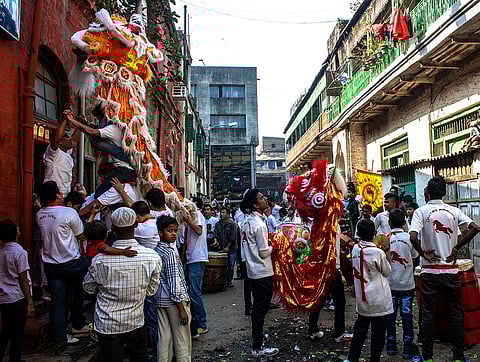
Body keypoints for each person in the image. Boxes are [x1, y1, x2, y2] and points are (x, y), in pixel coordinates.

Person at [409, 176, 480, 362]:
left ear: (426, 193)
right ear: (444, 193)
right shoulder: (453, 211)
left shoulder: (421, 212)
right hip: (450, 271)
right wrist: (456, 248)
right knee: (455, 313)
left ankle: (428, 356)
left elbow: (413, 237)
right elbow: (474, 228)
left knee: (428, 314)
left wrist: (423, 254)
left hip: (430, 272)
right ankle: (458, 355)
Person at [83, 207, 162, 362]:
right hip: (135, 321)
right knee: (140, 358)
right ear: (136, 225)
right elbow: (151, 291)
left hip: (107, 323)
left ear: (112, 229)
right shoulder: (151, 257)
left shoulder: (99, 260)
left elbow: (88, 288)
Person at [36, 181, 89, 352]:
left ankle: (60, 338)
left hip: (51, 265)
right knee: (75, 295)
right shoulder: (69, 212)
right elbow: (81, 236)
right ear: (57, 195)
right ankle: (77, 324)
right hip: (71, 263)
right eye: (59, 192)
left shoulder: (40, 214)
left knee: (58, 302)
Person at [344, 219, 393, 362]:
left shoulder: (355, 249)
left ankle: (352, 358)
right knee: (378, 334)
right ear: (374, 233)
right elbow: (387, 271)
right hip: (378, 299)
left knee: (360, 331)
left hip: (363, 299)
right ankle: (375, 359)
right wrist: (385, 252)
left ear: (358, 233)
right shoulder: (377, 253)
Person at [240, 189, 279, 357]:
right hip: (262, 270)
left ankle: (258, 340)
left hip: (253, 270)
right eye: (261, 198)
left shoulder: (247, 221)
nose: (265, 200)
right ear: (256, 204)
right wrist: (276, 245)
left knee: (258, 308)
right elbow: (264, 252)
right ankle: (257, 346)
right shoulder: (259, 224)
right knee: (260, 309)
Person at [154, 216, 192, 362]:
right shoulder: (169, 253)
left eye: (175, 230)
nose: (174, 234)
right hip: (175, 301)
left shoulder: (156, 250)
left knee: (164, 338)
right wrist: (181, 308)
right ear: (160, 232)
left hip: (161, 299)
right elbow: (174, 281)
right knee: (182, 339)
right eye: (169, 231)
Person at [308, 225, 353, 343]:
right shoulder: (332, 224)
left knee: (320, 299)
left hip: (320, 268)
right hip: (331, 268)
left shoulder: (318, 223)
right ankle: (339, 333)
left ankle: (312, 329)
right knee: (340, 301)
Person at [0, 220, 35, 362]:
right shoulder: (19, 252)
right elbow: (23, 279)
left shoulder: (2, 250)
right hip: (16, 297)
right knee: (17, 333)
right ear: (15, 234)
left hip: (3, 297)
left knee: (5, 331)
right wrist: (30, 301)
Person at [385, 209, 418, 358]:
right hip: (407, 284)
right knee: (407, 315)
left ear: (389, 222)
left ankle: (391, 345)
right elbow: (415, 256)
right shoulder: (409, 238)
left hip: (390, 284)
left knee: (390, 315)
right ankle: (407, 347)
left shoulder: (385, 239)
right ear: (404, 221)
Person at [183, 198, 208, 338]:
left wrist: (187, 220)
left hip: (197, 258)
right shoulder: (192, 217)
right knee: (191, 292)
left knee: (194, 292)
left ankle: (201, 324)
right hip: (191, 258)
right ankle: (196, 322)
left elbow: (198, 230)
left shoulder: (197, 215)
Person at [43, 110, 79, 196]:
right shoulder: (54, 153)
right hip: (52, 195)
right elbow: (56, 139)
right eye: (66, 137)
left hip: (64, 195)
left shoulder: (67, 153)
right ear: (61, 142)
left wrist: (80, 123)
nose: (70, 139)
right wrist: (65, 120)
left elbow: (74, 141)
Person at [213, 206, 237, 288]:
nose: (222, 214)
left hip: (231, 248)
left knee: (230, 265)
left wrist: (227, 247)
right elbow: (215, 234)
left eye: (224, 212)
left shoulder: (232, 224)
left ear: (228, 214)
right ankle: (222, 281)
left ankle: (229, 281)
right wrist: (216, 242)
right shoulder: (218, 224)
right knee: (222, 265)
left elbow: (233, 238)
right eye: (221, 212)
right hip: (221, 248)